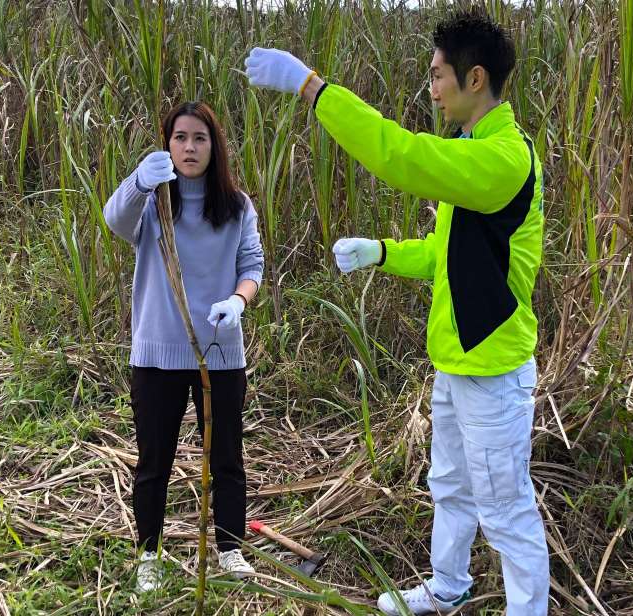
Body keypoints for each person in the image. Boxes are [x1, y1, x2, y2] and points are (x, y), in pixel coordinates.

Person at [244, 8, 549, 615]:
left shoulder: (505, 159)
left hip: (493, 370)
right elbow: (445, 253)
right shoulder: (474, 151)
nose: (431, 89)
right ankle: (448, 587)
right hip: (457, 362)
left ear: (476, 79)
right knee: (452, 488)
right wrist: (380, 253)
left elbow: (399, 156)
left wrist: (313, 88)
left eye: (439, 76)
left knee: (505, 505)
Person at [103, 101, 264, 592]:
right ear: (166, 145)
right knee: (156, 458)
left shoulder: (236, 206)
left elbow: (252, 264)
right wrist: (139, 180)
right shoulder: (152, 204)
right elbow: (113, 220)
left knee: (227, 456)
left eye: (199, 138)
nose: (189, 148)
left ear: (214, 147)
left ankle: (230, 549)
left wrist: (238, 301)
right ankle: (148, 554)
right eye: (179, 138)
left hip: (220, 350)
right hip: (157, 352)